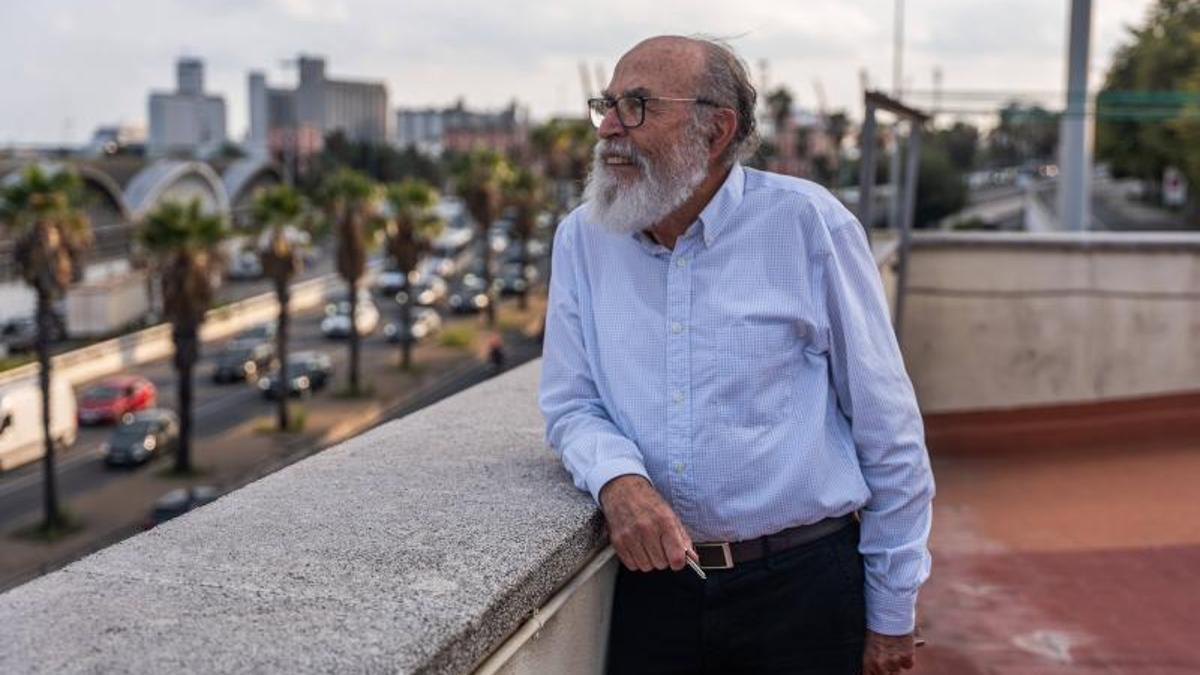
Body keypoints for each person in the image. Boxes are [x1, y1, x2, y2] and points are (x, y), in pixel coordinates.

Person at [538, 35, 935, 675]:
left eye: (637, 106)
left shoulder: (809, 224)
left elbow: (888, 431)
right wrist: (618, 479)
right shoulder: (582, 239)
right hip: (656, 593)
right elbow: (571, 403)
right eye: (606, 105)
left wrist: (893, 610)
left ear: (716, 129)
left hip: (804, 590)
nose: (609, 128)